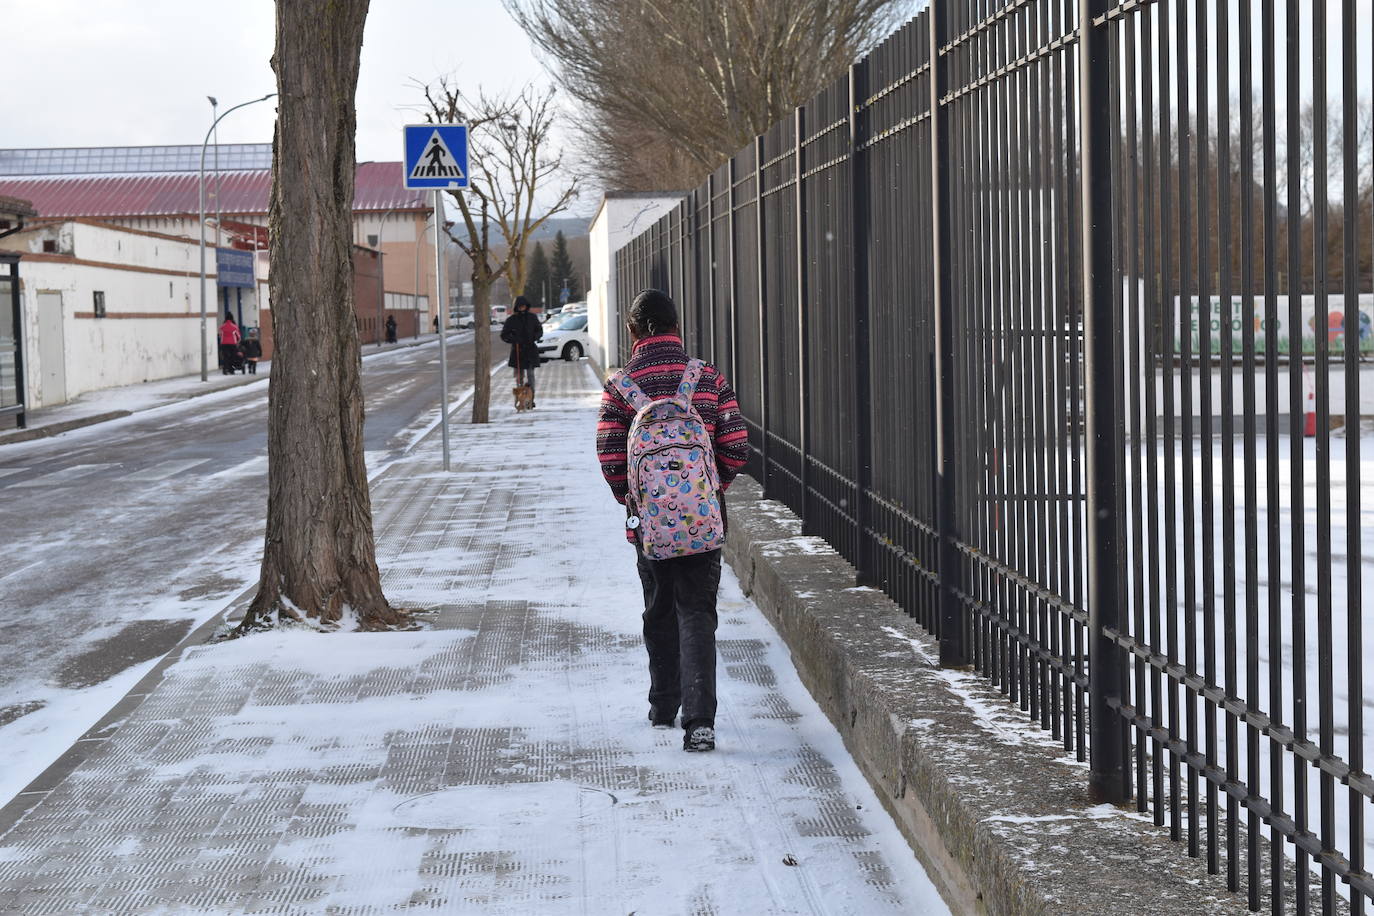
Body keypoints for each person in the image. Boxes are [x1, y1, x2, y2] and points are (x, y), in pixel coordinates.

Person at [595, 289, 749, 752]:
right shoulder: (705, 377)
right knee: (698, 612)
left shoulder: (622, 385)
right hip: (703, 523)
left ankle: (663, 704)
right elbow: (736, 443)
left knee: (658, 607)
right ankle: (700, 721)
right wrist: (705, 489)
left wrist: (638, 500)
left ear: (632, 330)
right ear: (677, 326)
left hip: (651, 524)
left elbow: (608, 455)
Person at [500, 296, 543, 408]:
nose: (522, 308)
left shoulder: (532, 318)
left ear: (526, 306)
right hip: (518, 351)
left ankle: (531, 399)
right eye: (519, 306)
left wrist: (535, 336)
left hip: (530, 351)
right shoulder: (511, 320)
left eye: (523, 306)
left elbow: (539, 330)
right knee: (519, 377)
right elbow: (504, 335)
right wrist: (513, 339)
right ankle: (521, 399)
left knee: (531, 375)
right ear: (516, 307)